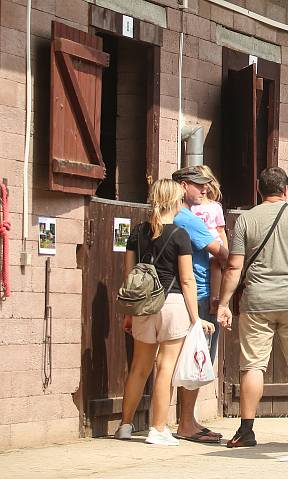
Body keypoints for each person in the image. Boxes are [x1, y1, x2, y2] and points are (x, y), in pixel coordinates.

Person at [217, 166, 288, 448]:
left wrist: (224, 302)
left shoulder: (246, 220)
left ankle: (246, 430)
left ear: (259, 190)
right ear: (286, 190)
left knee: (253, 365)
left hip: (257, 302)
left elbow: (234, 265)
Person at [115, 179, 215, 445]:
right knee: (165, 367)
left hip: (143, 305)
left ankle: (125, 426)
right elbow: (187, 280)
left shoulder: (136, 232)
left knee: (139, 367)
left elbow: (130, 276)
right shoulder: (180, 234)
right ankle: (158, 429)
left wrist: (129, 312)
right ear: (176, 202)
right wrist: (196, 319)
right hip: (172, 304)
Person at [171, 166, 229, 443]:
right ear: (183, 186)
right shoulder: (190, 220)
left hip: (180, 295)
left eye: (205, 184)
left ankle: (185, 420)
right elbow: (221, 253)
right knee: (198, 357)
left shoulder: (167, 216)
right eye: (198, 185)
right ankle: (185, 424)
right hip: (201, 294)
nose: (204, 189)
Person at [190, 165, 228, 314]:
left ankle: (215, 298)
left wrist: (225, 249)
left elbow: (221, 230)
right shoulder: (191, 207)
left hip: (213, 244)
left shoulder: (215, 207)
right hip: (197, 245)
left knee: (215, 265)